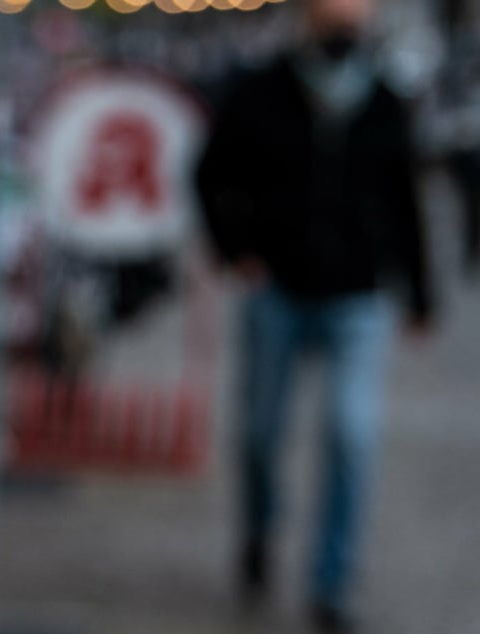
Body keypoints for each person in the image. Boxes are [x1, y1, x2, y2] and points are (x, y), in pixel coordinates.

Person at [196, 0, 434, 631]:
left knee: (352, 434)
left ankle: (330, 583)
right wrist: (237, 251)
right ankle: (259, 532)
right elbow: (210, 172)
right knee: (261, 433)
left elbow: (404, 200)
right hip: (277, 289)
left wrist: (419, 293)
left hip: (357, 294)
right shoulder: (260, 90)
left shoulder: (382, 101)